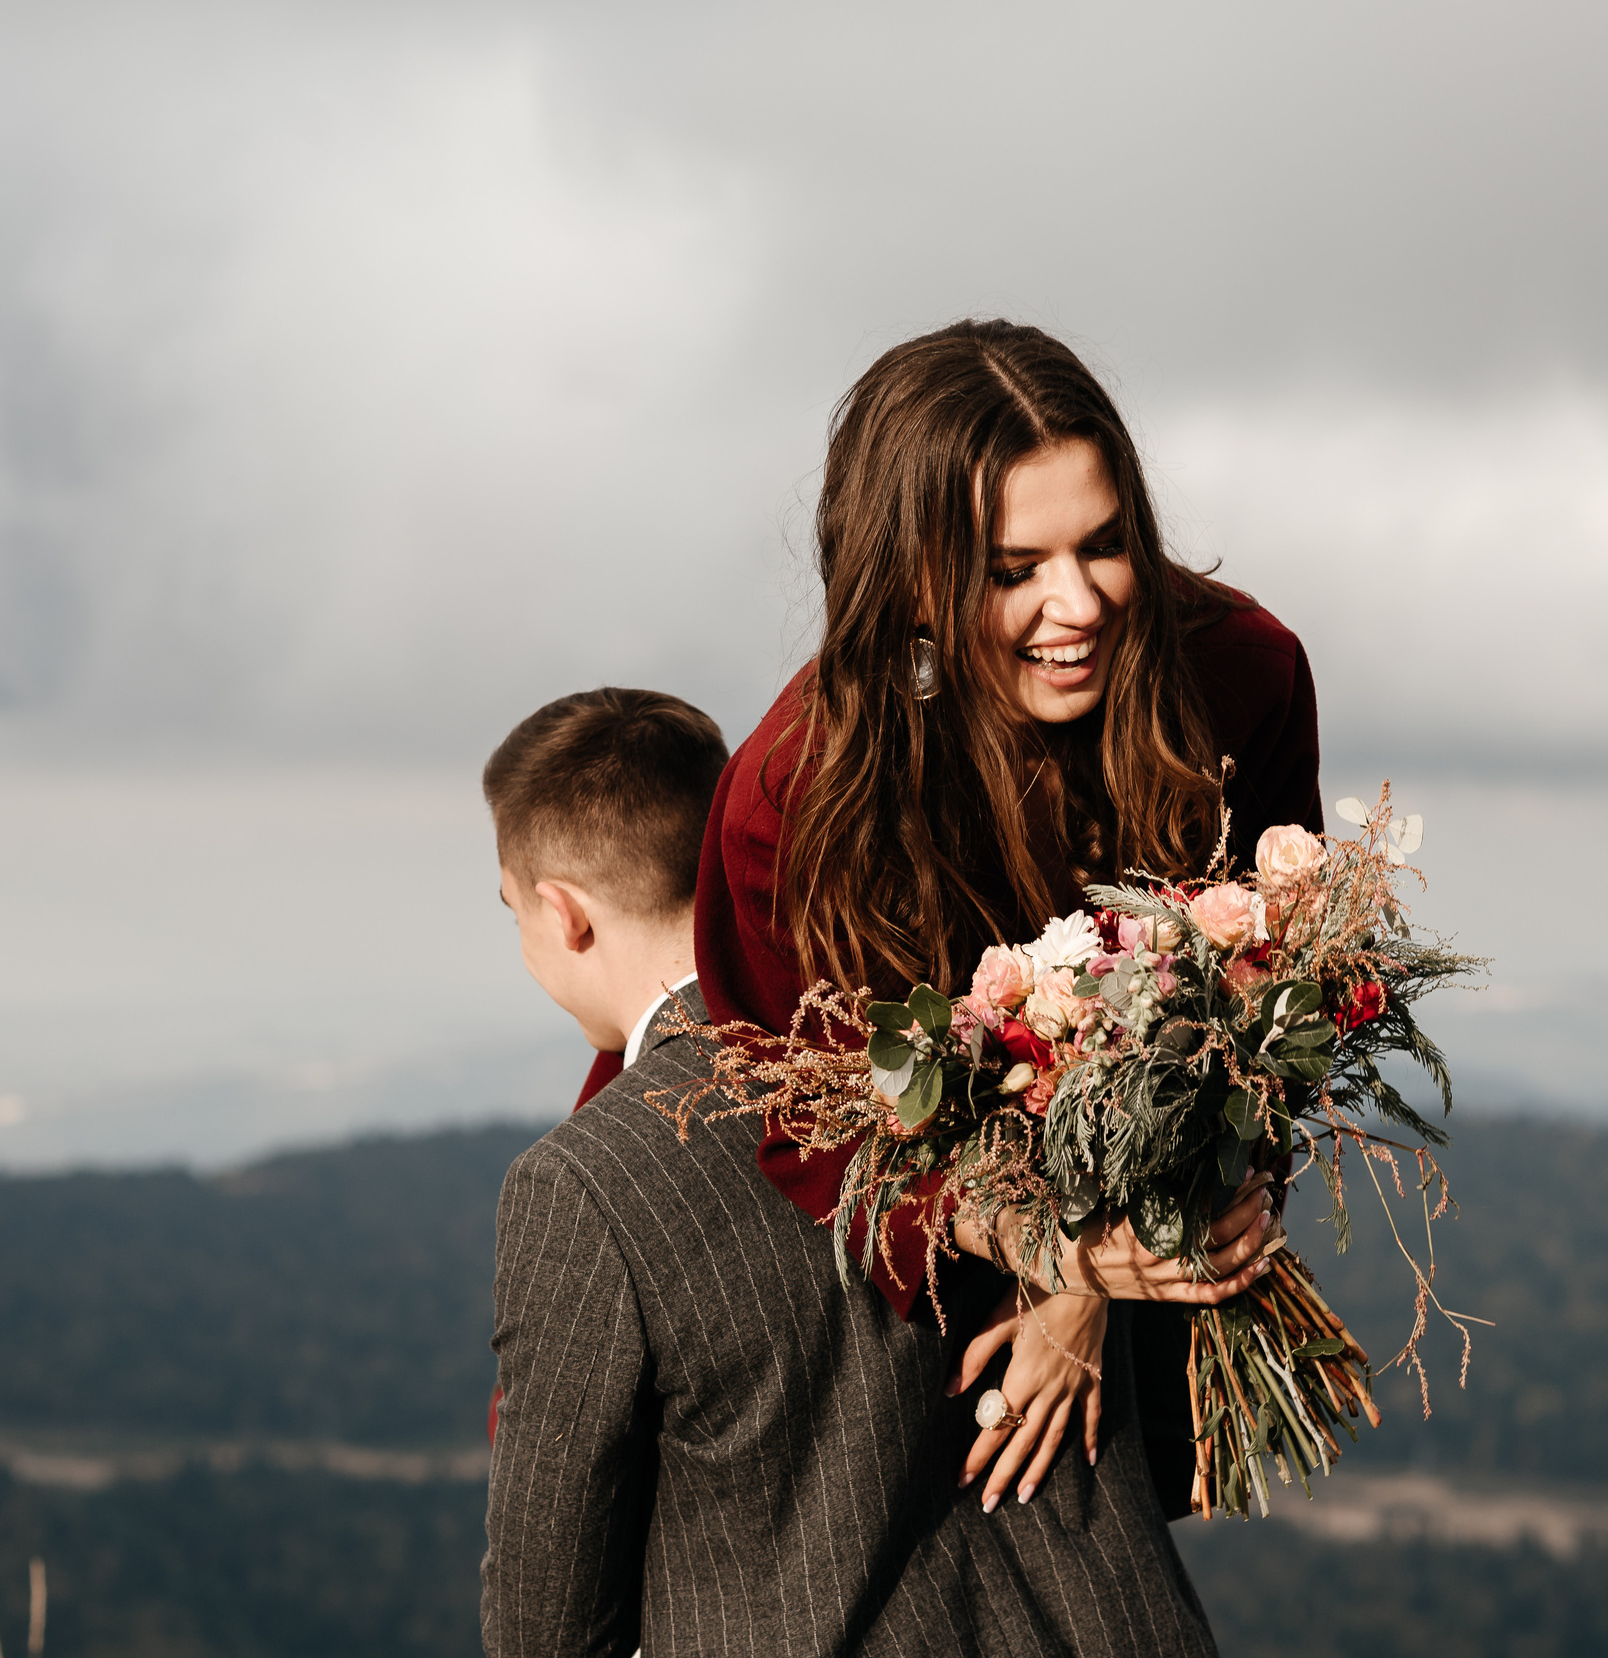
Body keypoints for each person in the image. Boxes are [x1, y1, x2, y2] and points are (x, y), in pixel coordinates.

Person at [696, 322, 1324, 1596]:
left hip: (1151, 1273)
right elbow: (814, 1124)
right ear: (910, 581)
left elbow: (1277, 994)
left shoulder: (1238, 674)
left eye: (1104, 543)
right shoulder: (793, 795)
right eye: (1012, 569)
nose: (1078, 604)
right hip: (897, 1285)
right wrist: (1056, 1255)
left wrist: (1112, 1260)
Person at [482, 685, 1266, 1656]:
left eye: (511, 911)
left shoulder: (588, 1181)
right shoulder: (989, 1021)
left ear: (562, 912)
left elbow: (546, 1623)